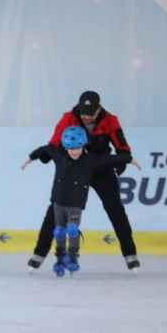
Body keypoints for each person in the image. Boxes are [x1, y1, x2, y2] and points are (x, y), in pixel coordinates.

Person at [27, 91, 141, 272]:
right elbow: (54, 143)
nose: (86, 117)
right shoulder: (68, 118)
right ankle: (39, 254)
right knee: (56, 208)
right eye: (83, 113)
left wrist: (121, 163)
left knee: (115, 208)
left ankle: (130, 254)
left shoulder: (111, 120)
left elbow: (122, 147)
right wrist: (44, 156)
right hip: (74, 169)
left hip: (101, 167)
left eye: (90, 114)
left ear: (98, 110)